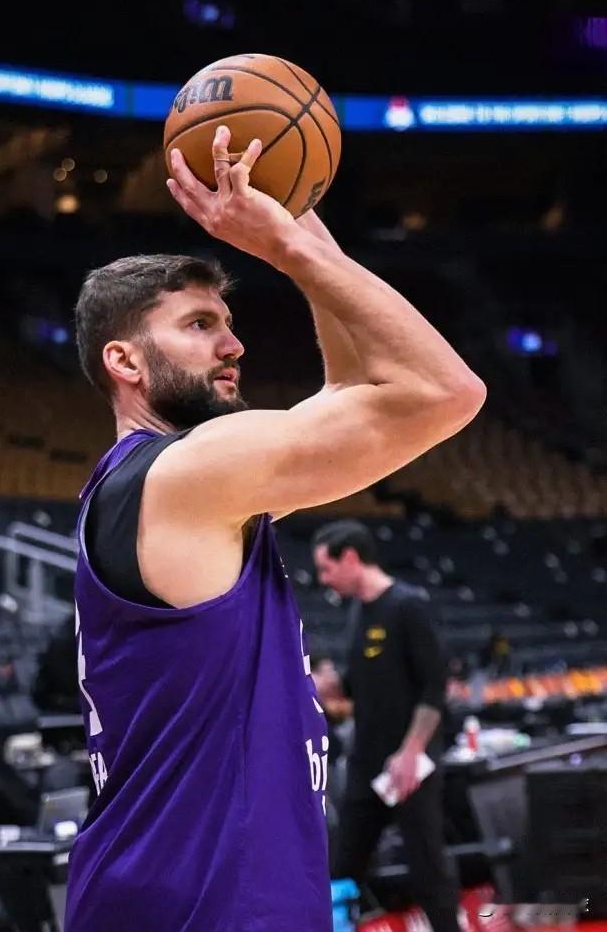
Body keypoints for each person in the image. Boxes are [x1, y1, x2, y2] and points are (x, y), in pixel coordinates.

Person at [64, 126, 485, 932]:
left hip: (174, 891)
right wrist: (289, 250)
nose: (234, 344)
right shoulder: (187, 475)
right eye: (199, 325)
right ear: (126, 361)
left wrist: (300, 213)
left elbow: (353, 389)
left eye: (228, 321)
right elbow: (445, 391)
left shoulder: (168, 488)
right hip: (205, 906)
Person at [312, 519, 460, 932]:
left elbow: (434, 687)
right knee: (343, 867)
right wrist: (329, 685)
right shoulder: (357, 612)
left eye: (326, 568)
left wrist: (411, 752)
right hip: (367, 762)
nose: (323, 580)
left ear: (351, 558)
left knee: (427, 867)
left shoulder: (408, 605)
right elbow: (359, 684)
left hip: (410, 763)